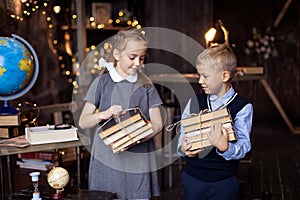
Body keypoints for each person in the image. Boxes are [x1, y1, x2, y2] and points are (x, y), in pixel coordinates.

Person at [79, 28, 163, 199]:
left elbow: (158, 123)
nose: (138, 63)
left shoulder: (146, 84)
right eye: (132, 57)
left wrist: (137, 138)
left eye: (142, 58)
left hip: (138, 156)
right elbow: (83, 121)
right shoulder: (101, 82)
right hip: (107, 157)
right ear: (117, 54)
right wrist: (103, 114)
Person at [177, 44, 253, 200]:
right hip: (193, 178)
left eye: (205, 76)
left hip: (224, 182)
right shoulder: (193, 102)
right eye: (199, 75)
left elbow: (244, 145)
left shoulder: (243, 107)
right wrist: (183, 148)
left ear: (224, 76)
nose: (200, 81)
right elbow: (183, 135)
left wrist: (225, 147)